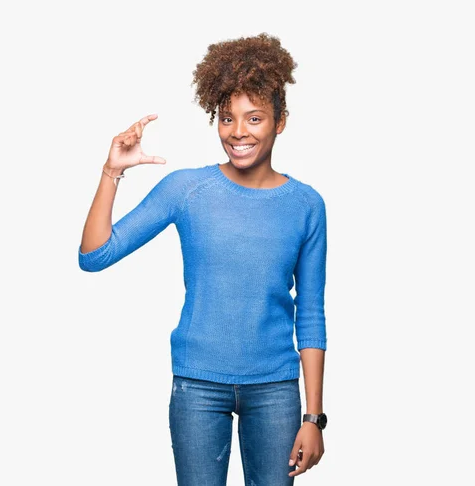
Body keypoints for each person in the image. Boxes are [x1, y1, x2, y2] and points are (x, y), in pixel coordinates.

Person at [79, 32, 328, 486]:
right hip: (197, 386)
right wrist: (112, 171)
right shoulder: (187, 190)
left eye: (255, 118)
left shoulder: (306, 205)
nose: (238, 132)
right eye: (227, 117)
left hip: (274, 388)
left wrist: (314, 417)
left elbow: (310, 314)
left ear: (281, 121)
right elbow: (95, 256)